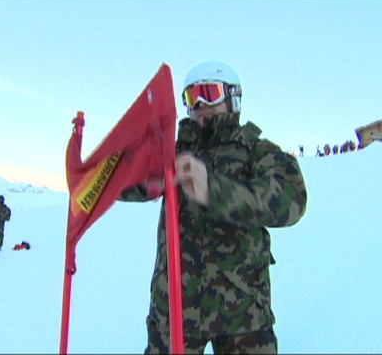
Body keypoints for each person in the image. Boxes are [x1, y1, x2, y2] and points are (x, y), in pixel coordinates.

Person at [120, 60, 307, 354]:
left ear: (233, 98)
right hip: (175, 309)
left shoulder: (255, 150)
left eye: (211, 93)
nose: (203, 105)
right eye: (194, 98)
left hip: (243, 310)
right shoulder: (172, 152)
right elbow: (128, 184)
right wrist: (102, 175)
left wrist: (212, 189)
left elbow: (291, 200)